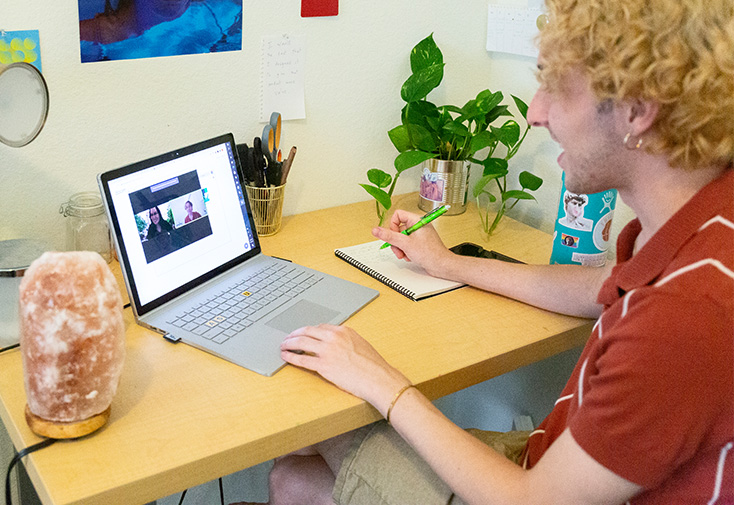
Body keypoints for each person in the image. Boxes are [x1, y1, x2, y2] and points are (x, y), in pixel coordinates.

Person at [232, 0, 733, 503]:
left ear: (637, 110)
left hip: (535, 491)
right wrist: (447, 263)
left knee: (293, 476)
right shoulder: (705, 215)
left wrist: (383, 380)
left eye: (555, 89)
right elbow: (594, 285)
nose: (535, 112)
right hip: (557, 460)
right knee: (304, 457)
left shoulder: (686, 313)